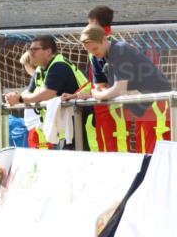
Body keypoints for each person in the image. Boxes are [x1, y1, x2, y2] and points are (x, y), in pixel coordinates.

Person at [70, 25, 173, 154]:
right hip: (144, 104)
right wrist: (103, 92)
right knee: (144, 150)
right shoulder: (100, 56)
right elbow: (100, 87)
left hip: (157, 103)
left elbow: (117, 89)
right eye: (89, 51)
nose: (94, 53)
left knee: (156, 151)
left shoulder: (119, 49)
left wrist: (98, 94)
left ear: (104, 39)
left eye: (95, 48)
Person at [4, 34, 91, 150]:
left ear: (48, 51)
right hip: (70, 122)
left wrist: (19, 99)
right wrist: (17, 96)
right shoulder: (41, 69)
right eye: (30, 49)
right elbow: (28, 92)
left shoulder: (59, 66)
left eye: (35, 49)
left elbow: (47, 93)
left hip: (85, 120)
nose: (30, 52)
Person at [84, 6, 126, 151]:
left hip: (112, 103)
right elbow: (97, 83)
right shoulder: (98, 47)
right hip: (105, 102)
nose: (94, 52)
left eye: (89, 23)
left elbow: (119, 86)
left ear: (95, 23)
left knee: (117, 143)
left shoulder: (116, 47)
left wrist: (99, 92)